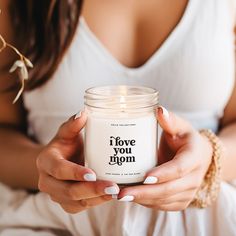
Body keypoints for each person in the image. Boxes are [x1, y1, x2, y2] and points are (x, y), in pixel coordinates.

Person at [0, 0, 236, 235]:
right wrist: (46, 169)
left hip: (207, 219)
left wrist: (210, 158)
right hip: (53, 220)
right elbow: (4, 129)